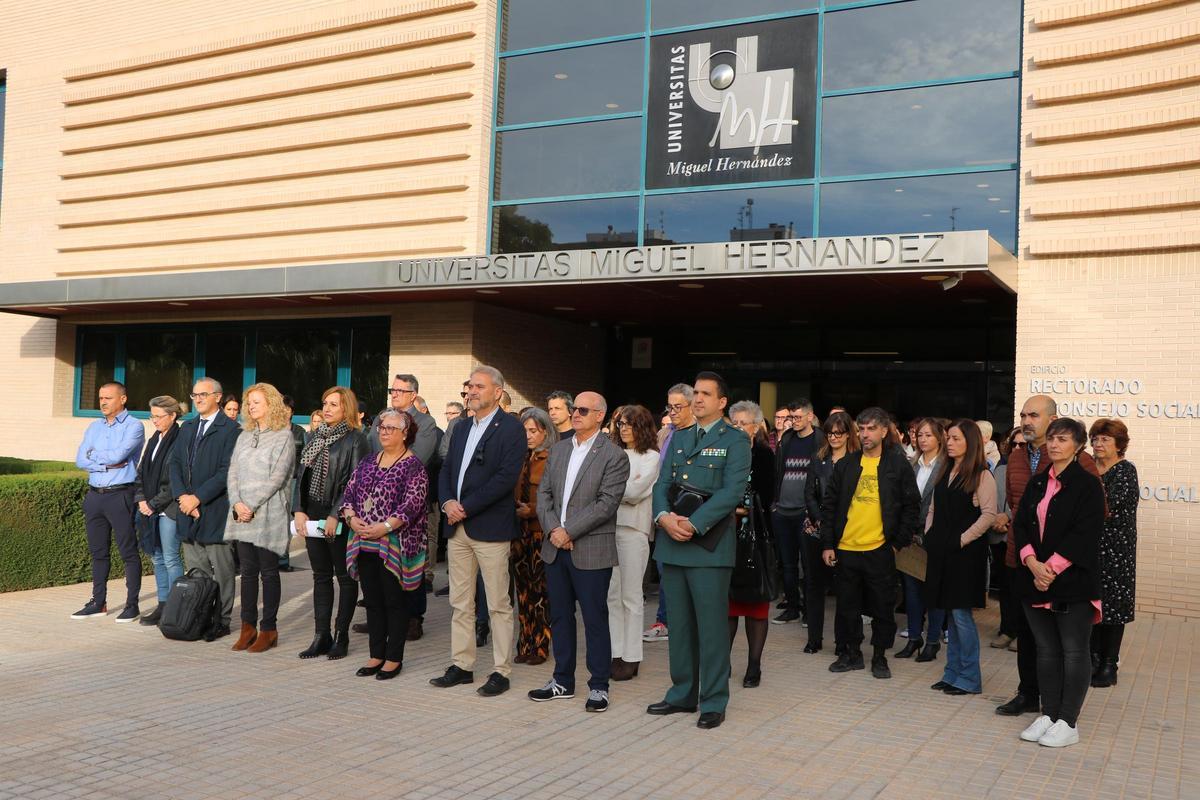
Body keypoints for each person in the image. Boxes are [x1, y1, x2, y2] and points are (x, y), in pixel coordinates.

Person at [647, 371, 751, 730]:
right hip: (672, 544)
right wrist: (663, 517)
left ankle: (713, 700)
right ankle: (682, 694)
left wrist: (692, 524)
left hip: (708, 547)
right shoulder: (680, 436)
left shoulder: (736, 440)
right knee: (679, 626)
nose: (698, 399)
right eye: (695, 393)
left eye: (706, 394)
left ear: (722, 402)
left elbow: (731, 492)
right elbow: (663, 483)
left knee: (711, 628)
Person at [994, 395, 1101, 717]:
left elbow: (1092, 519)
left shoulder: (1081, 467)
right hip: (1023, 562)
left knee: (1065, 645)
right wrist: (1027, 558)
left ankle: (1063, 713)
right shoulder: (1016, 457)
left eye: (1035, 415)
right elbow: (1019, 510)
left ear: (1052, 419)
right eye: (1024, 415)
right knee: (1029, 639)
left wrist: (1050, 567)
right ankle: (1029, 694)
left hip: (1063, 571)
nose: (1027, 421)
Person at [528, 391, 628, 712]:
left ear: (600, 415)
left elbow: (606, 504)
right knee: (559, 617)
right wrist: (555, 531)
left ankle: (598, 685)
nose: (576, 414)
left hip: (590, 550)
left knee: (594, 618)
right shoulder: (558, 450)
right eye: (574, 409)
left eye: (583, 410)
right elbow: (543, 496)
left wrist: (567, 531)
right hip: (556, 549)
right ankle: (562, 680)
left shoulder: (613, 455)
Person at [431, 365, 526, 697]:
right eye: (469, 386)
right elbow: (446, 470)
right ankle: (463, 665)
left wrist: (465, 506)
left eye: (479, 386)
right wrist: (446, 503)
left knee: (498, 604)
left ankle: (501, 670)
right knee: (460, 602)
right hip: (457, 528)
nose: (471, 391)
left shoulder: (511, 428)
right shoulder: (459, 428)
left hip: (489, 528)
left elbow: (505, 478)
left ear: (497, 392)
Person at [1013, 418, 1105, 748]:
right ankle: (1049, 713)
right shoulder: (1038, 483)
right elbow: (1021, 524)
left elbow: (1086, 532)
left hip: (1072, 582)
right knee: (1047, 650)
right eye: (1051, 438)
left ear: (1078, 445)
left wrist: (1049, 569)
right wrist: (1031, 563)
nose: (1053, 444)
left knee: (1074, 650)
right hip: (1034, 578)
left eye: (1062, 439)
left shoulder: (1087, 484)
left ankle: (1068, 720)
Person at [821, 407, 920, 680]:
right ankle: (852, 653)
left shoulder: (897, 465)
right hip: (846, 548)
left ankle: (879, 656)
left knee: (881, 607)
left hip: (880, 549)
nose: (865, 434)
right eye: (861, 429)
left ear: (884, 431)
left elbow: (912, 506)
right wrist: (828, 544)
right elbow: (829, 507)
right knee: (847, 606)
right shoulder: (846, 465)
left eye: (871, 428)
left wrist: (897, 544)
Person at [342, 409, 429, 680]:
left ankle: (393, 658)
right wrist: (351, 518)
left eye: (391, 428)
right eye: (382, 427)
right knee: (373, 601)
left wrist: (385, 527)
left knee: (394, 601)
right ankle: (375, 654)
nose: (384, 432)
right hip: (364, 541)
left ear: (406, 434)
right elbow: (349, 492)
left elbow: (412, 506)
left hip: (394, 544)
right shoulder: (369, 461)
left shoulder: (414, 466)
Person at [294, 386, 371, 660]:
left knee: (345, 577)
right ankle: (321, 635)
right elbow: (300, 476)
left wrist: (336, 513)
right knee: (320, 577)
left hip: (340, 519)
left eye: (333, 405)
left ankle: (342, 635)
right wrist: (299, 510)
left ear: (346, 408)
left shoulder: (356, 440)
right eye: (325, 403)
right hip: (313, 516)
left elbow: (356, 481)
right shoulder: (315, 437)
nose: (326, 408)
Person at [924, 419, 997, 695]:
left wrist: (960, 540)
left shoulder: (981, 474)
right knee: (949, 616)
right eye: (949, 438)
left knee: (961, 616)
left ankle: (969, 678)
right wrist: (930, 533)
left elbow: (989, 515)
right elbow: (933, 506)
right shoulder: (945, 470)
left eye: (956, 438)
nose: (950, 443)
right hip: (941, 551)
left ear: (971, 442)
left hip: (965, 556)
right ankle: (952, 673)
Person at [226, 383, 296, 653]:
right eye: (249, 402)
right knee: (247, 572)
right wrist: (237, 503)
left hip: (268, 513)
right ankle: (247, 627)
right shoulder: (244, 435)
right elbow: (233, 472)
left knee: (268, 571)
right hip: (242, 513)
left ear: (271, 404)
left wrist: (251, 503)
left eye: (257, 401)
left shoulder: (283, 436)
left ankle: (269, 629)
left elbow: (278, 477)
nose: (251, 406)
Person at [369, 374, 441, 637]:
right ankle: (381, 615)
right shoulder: (381, 418)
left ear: (414, 394)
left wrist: (386, 470)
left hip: (407, 505)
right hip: (376, 504)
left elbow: (416, 460)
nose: (394, 394)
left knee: (410, 562)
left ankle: (413, 618)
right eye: (392, 389)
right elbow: (370, 453)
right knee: (379, 562)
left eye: (400, 390)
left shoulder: (425, 423)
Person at [169, 377, 241, 640]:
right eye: (194, 395)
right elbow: (175, 464)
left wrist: (197, 498)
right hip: (188, 511)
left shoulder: (231, 430)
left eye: (203, 394)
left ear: (218, 397)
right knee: (197, 571)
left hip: (215, 511)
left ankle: (221, 620)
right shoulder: (187, 428)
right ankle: (197, 615)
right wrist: (183, 498)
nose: (198, 399)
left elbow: (226, 472)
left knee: (221, 571)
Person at [71, 382, 146, 621]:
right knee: (98, 552)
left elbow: (120, 456)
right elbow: (80, 459)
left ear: (123, 399)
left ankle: (131, 605)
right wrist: (105, 463)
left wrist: (97, 457)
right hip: (95, 496)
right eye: (101, 398)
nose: (103, 402)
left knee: (128, 552)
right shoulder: (94, 427)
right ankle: (98, 602)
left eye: (108, 398)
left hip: (120, 495)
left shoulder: (134, 426)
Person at [607, 404, 659, 681]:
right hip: (608, 528)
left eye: (629, 424)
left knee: (631, 595)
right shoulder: (613, 454)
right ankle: (616, 651)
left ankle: (632, 656)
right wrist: (619, 489)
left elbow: (636, 491)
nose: (623, 428)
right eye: (620, 424)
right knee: (612, 595)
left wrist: (611, 489)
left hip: (634, 529)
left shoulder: (651, 457)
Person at [727, 400, 776, 688]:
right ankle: (723, 662)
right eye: (734, 422)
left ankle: (754, 666)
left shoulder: (764, 455)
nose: (739, 427)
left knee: (756, 604)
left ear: (756, 426)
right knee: (728, 606)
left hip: (756, 535)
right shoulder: (725, 452)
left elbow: (767, 496)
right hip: (726, 535)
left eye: (744, 422)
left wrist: (742, 507)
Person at [642, 382, 696, 644]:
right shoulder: (665, 434)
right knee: (665, 570)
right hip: (663, 512)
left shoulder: (700, 434)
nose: (672, 412)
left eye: (678, 406)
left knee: (688, 574)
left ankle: (687, 624)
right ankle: (664, 621)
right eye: (669, 406)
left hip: (688, 515)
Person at [802, 411, 859, 654]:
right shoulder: (818, 458)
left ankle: (841, 641)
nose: (834, 437)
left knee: (844, 590)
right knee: (814, 587)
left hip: (846, 532)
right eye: (829, 432)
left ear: (848, 434)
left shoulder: (857, 461)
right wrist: (819, 519)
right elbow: (809, 494)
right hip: (816, 530)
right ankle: (814, 638)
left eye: (839, 433)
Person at [1088, 418, 1138, 688]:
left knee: (1113, 608)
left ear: (1119, 445)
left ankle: (1109, 664)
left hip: (1117, 550)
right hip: (1089, 547)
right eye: (1095, 438)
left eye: (1105, 439)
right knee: (1091, 604)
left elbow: (1110, 506)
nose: (1098, 443)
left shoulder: (1125, 471)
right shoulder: (1087, 468)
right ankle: (1093, 659)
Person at [896, 418, 947, 661]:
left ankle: (933, 640)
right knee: (911, 591)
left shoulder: (946, 467)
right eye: (920, 435)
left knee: (933, 592)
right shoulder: (912, 464)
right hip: (910, 537)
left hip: (933, 537)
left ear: (939, 437)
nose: (923, 439)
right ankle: (914, 638)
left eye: (928, 435)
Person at [772, 398, 825, 625]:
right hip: (782, 509)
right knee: (787, 563)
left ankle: (808, 611)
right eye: (791, 417)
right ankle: (792, 606)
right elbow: (779, 471)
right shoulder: (787, 439)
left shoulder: (820, 439)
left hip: (806, 511)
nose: (793, 421)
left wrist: (815, 510)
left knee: (809, 565)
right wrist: (774, 503)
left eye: (797, 417)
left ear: (810, 417)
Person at [133, 395, 183, 626]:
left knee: (171, 558)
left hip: (168, 508)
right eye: (152, 416)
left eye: (158, 416)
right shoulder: (154, 438)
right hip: (150, 506)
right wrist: (142, 498)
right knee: (157, 558)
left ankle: (177, 606)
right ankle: (163, 603)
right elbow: (142, 470)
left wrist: (153, 504)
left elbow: (175, 480)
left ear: (173, 416)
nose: (154, 420)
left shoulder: (180, 439)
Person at [513, 407, 554, 666]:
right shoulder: (518, 458)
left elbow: (557, 498)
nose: (528, 436)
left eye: (533, 431)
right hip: (518, 533)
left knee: (540, 592)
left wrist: (534, 510)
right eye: (524, 431)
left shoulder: (552, 459)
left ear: (545, 432)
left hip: (541, 532)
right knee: (522, 592)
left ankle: (540, 646)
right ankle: (524, 643)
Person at [989, 428, 1023, 650]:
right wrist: (995, 518)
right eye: (1015, 444)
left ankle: (1021, 632)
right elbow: (991, 498)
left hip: (1018, 535)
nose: (1018, 448)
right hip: (997, 534)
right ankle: (1006, 629)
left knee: (1020, 587)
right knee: (1005, 587)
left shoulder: (1034, 470)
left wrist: (1007, 517)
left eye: (1023, 445)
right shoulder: (1000, 470)